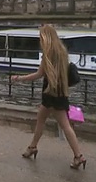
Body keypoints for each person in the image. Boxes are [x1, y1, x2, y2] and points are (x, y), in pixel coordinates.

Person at [11, 24, 87, 170]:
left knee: (63, 125)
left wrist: (19, 78)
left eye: (41, 36)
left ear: (45, 38)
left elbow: (38, 74)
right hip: (59, 93)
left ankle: (79, 156)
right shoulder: (62, 51)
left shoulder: (48, 54)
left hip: (51, 94)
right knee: (42, 119)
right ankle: (32, 147)